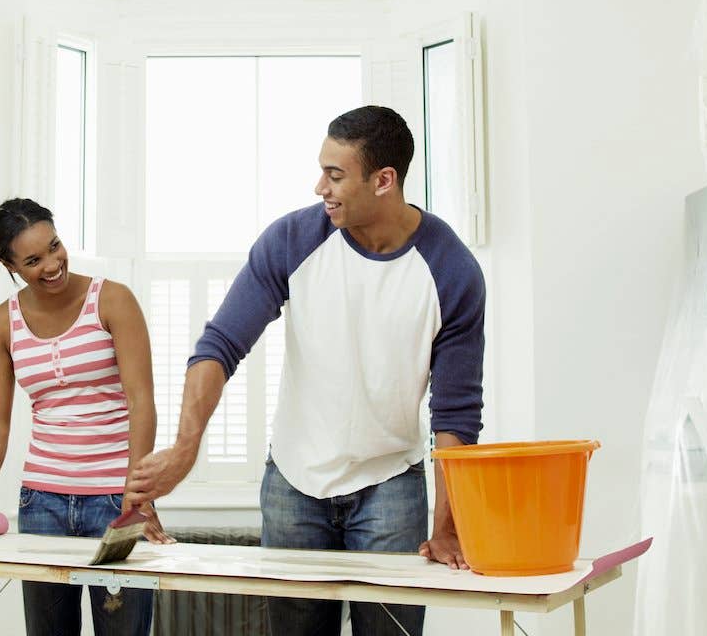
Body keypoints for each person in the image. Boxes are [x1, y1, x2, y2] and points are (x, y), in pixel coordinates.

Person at [127, 106, 486, 635]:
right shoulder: (294, 240)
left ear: (384, 180)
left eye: (335, 175)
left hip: (390, 486)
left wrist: (448, 525)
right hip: (294, 483)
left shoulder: (451, 270)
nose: (321, 187)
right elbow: (219, 346)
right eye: (323, 171)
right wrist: (185, 451)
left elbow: (456, 413)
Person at [0, 198, 172, 636]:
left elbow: (142, 401)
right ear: (6, 264)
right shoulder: (2, 324)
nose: (52, 264)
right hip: (41, 505)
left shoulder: (113, 300)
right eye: (33, 259)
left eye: (55, 245)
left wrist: (138, 492)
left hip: (114, 501)